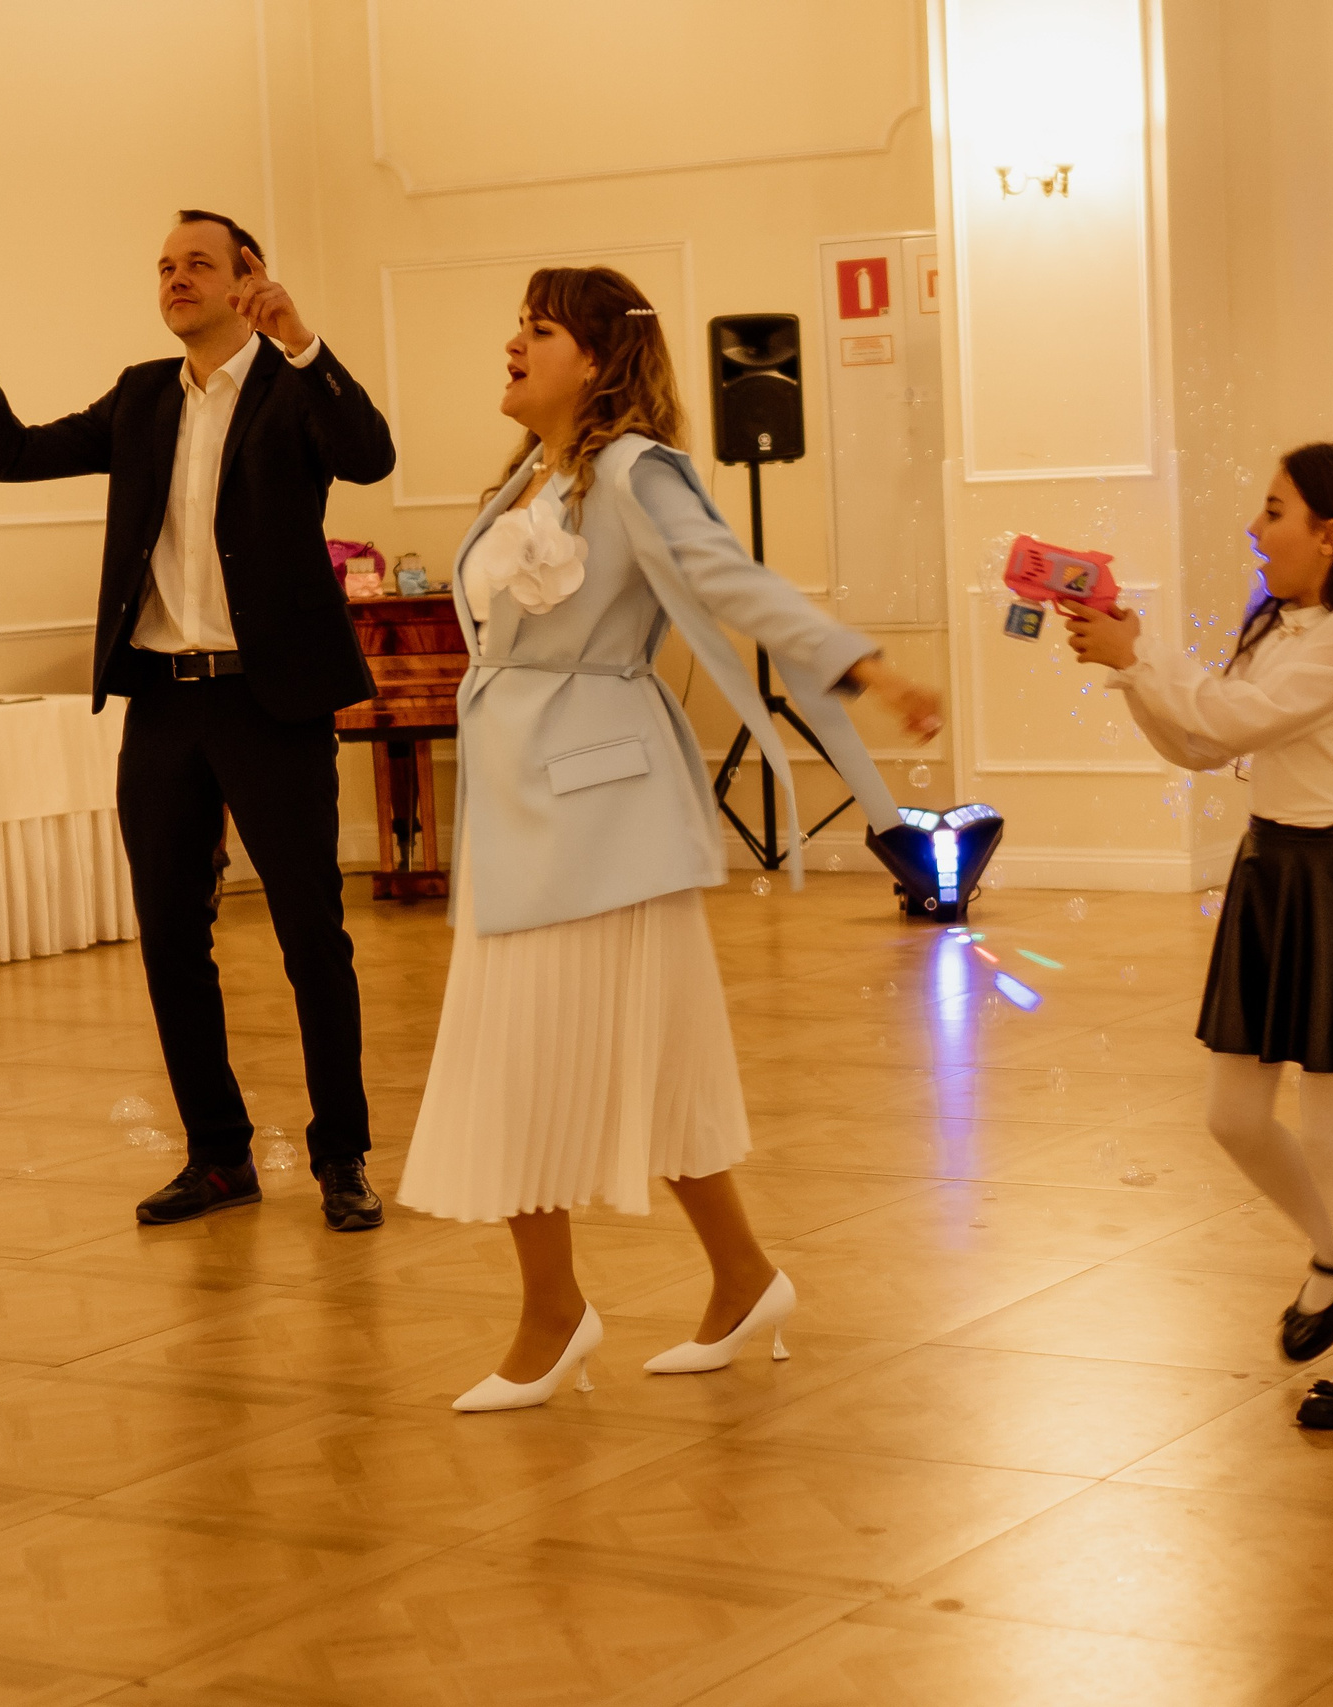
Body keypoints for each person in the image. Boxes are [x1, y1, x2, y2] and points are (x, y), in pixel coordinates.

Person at [397, 265, 941, 1413]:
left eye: (539, 329)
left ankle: (555, 1315)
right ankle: (741, 1280)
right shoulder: (528, 478)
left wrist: (865, 667)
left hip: (597, 814)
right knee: (647, 1056)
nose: (513, 344)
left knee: (530, 1058)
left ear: (596, 359)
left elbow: (732, 582)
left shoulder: (635, 472)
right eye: (517, 324)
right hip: (521, 810)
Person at [0, 212, 397, 1232]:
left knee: (311, 935)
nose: (175, 278)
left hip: (270, 700)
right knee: (170, 936)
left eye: (197, 264)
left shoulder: (291, 386)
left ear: (248, 277)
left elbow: (371, 455)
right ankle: (218, 1157)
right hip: (165, 701)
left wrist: (303, 340)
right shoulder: (140, 396)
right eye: (165, 266)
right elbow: (10, 455)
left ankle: (340, 1155)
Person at [1064, 443, 1333, 1431]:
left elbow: (1238, 716)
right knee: (1234, 1117)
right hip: (1272, 877)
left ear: (1332, 535)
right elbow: (1204, 740)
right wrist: (1133, 673)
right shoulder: (1279, 627)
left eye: (1275, 510)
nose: (1256, 529)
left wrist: (1141, 658)